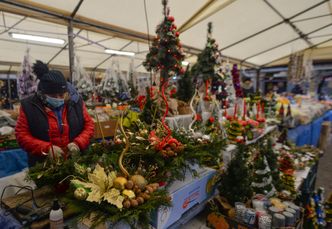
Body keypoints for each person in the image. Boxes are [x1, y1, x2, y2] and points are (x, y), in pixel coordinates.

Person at [15, 61, 94, 167]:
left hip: (75, 162)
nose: (58, 98)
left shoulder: (76, 102)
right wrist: (47, 149)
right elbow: (22, 135)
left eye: (61, 95)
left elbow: (89, 125)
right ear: (43, 93)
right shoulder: (29, 106)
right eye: (53, 95)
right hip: (43, 165)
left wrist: (78, 143)